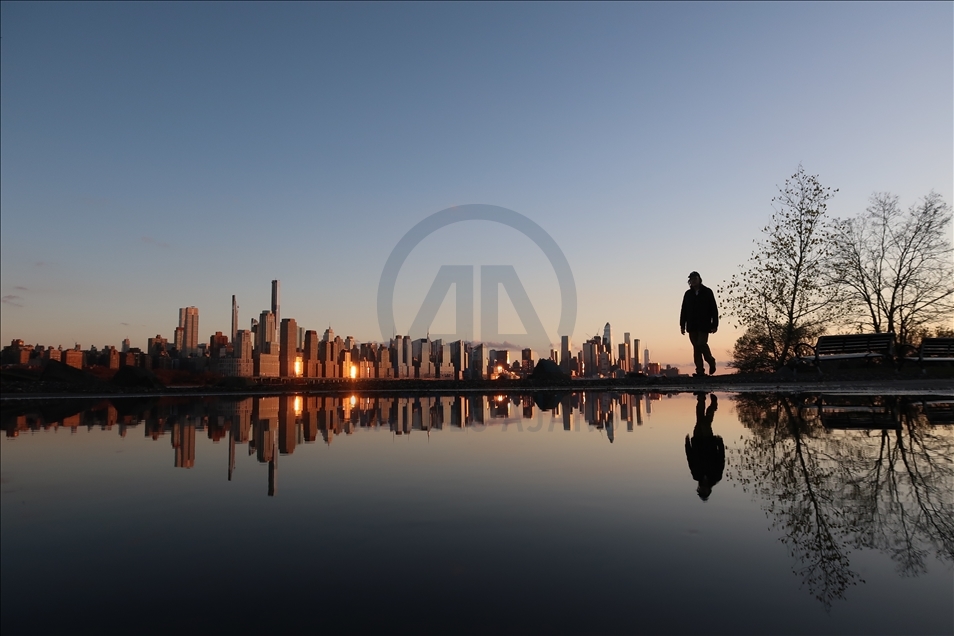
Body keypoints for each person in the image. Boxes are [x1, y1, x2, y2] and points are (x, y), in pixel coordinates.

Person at [685, 392, 723, 501]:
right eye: (704, 491)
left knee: (699, 420)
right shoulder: (716, 476)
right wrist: (720, 444)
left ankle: (702, 400)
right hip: (709, 443)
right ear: (709, 490)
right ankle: (712, 407)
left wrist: (687, 444)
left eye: (701, 491)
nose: (703, 489)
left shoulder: (696, 475)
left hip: (697, 442)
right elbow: (721, 459)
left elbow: (690, 459)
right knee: (705, 424)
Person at [679, 271, 719, 377]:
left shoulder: (707, 292)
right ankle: (700, 371)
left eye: (695, 279)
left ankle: (711, 361)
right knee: (696, 348)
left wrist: (715, 324)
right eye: (691, 279)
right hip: (692, 325)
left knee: (701, 344)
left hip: (704, 325)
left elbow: (713, 309)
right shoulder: (688, 294)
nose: (693, 281)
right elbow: (684, 310)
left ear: (699, 279)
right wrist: (682, 325)